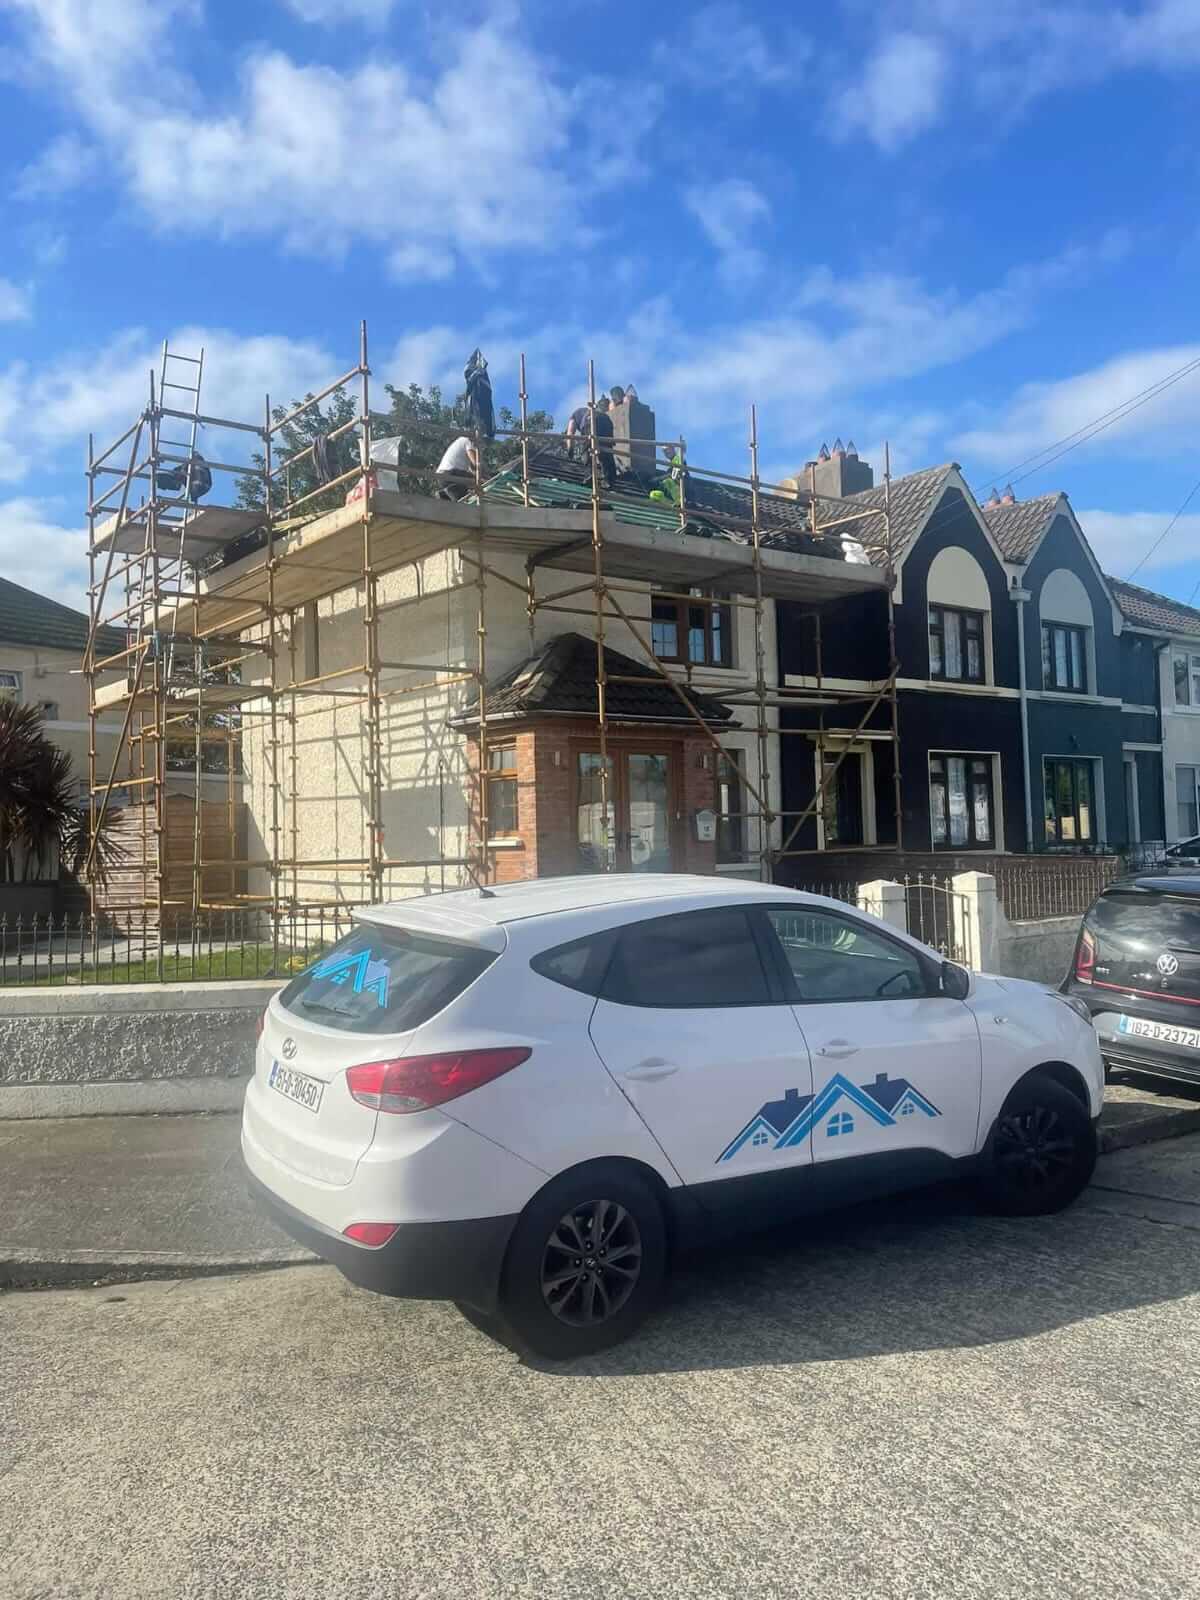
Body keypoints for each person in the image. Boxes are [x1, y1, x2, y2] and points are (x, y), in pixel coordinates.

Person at [436, 435, 480, 500]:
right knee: (477, 483)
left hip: (441, 478)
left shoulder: (460, 441)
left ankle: (444, 494)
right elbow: (476, 463)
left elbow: (473, 470)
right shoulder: (468, 441)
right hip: (451, 473)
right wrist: (487, 478)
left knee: (461, 495)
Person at [591, 395, 617, 490]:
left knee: (605, 462)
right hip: (605, 443)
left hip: (603, 443)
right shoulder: (601, 417)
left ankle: (608, 481)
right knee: (608, 462)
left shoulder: (599, 417)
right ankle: (610, 480)